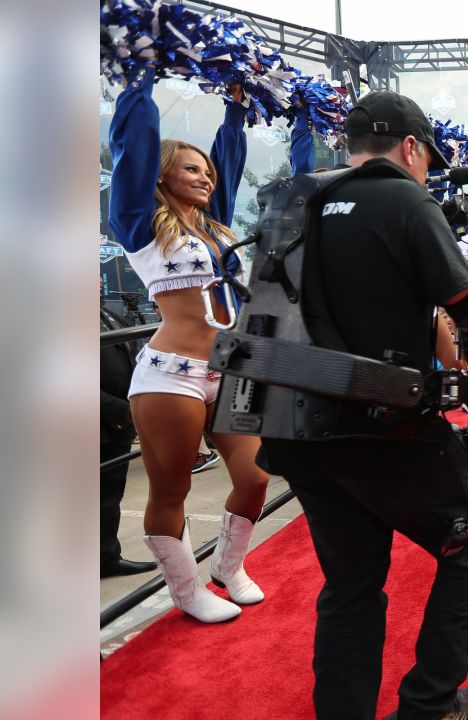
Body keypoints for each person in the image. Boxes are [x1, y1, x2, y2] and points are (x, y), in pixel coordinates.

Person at [255, 91, 468, 719]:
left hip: (296, 427)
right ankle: (429, 706)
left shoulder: (294, 195)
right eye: (427, 159)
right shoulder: (405, 197)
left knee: (351, 584)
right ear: (411, 147)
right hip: (384, 426)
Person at [109, 67, 284, 622]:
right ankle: (186, 592)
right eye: (191, 170)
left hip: (230, 368)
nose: (206, 178)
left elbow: (229, 163)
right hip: (171, 373)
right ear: (161, 177)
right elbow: (132, 151)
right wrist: (140, 81)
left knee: (255, 478)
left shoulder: (218, 227)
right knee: (172, 489)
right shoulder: (141, 225)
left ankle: (228, 567)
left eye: (206, 171)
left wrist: (236, 107)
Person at [100, 293, 157, 578]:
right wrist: (116, 411)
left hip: (118, 425)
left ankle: (105, 558)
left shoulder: (107, 314)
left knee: (108, 496)